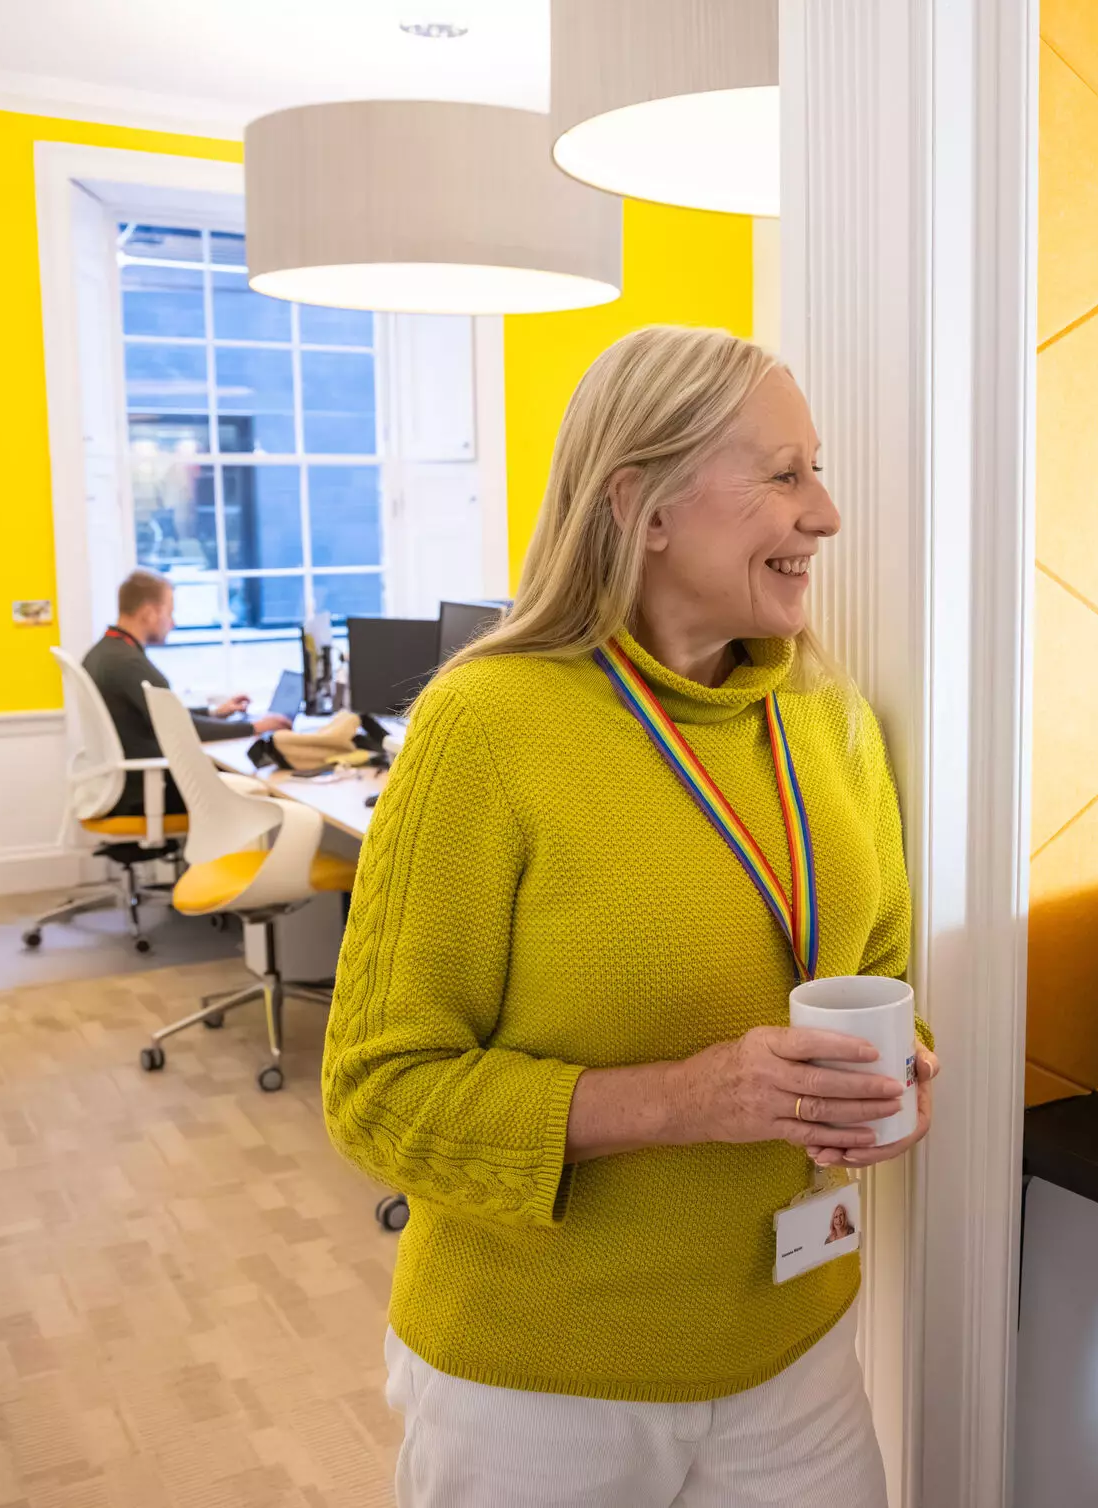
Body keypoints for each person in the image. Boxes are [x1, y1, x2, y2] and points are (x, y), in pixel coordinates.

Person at [323, 326, 940, 1508]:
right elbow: (377, 1091)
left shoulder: (831, 717)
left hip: (797, 1345)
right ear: (642, 504)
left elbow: (881, 970)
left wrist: (901, 1078)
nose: (826, 513)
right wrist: (688, 1096)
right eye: (782, 474)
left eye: (817, 469)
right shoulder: (485, 728)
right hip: (539, 1386)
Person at [82, 569, 290, 814]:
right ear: (149, 613)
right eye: (169, 613)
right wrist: (255, 728)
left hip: (129, 785)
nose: (173, 622)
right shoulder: (128, 663)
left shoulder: (104, 653)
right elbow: (180, 727)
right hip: (147, 792)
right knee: (260, 786)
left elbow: (163, 712)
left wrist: (214, 713)